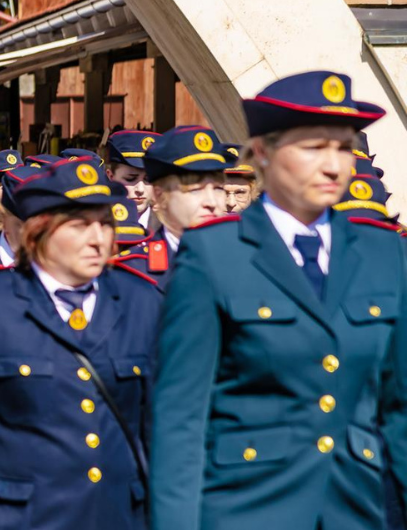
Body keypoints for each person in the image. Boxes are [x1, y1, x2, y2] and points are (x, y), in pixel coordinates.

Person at [149, 71, 407, 529]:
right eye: (313, 147)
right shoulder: (215, 255)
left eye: (344, 148)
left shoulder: (383, 252)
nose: (333, 166)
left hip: (356, 512)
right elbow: (180, 421)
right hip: (247, 510)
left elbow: (398, 407)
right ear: (264, 154)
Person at [0, 157, 162, 530]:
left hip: (118, 516)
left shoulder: (140, 300)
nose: (98, 238)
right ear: (39, 231)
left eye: (104, 223)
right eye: (81, 225)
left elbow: (158, 432)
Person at [114, 126, 230, 290]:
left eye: (218, 188)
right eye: (195, 190)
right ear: (160, 196)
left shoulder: (243, 263)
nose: (211, 203)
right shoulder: (130, 276)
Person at [105, 130, 161, 229]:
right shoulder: (99, 225)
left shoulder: (168, 228)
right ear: (110, 177)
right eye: (130, 179)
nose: (140, 189)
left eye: (148, 179)